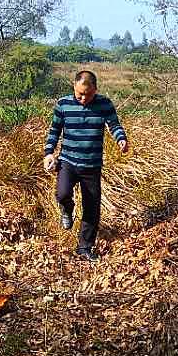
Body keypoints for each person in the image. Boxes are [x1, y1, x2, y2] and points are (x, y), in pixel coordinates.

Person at [43, 70, 129, 261]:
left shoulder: (104, 104)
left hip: (92, 164)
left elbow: (114, 125)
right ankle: (67, 209)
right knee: (62, 194)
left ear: (95, 90)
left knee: (92, 207)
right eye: (80, 94)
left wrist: (121, 139)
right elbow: (54, 130)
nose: (83, 98)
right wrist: (49, 153)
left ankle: (84, 247)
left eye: (88, 95)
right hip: (68, 161)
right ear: (74, 86)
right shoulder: (63, 104)